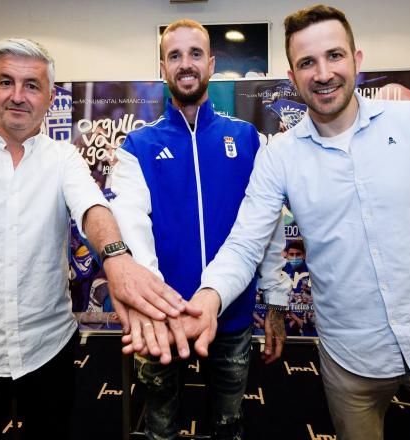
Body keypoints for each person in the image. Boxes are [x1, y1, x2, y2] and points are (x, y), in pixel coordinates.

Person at [193, 5, 410, 440]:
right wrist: (210, 296)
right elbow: (245, 243)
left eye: (334, 56)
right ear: (292, 75)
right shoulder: (279, 155)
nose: (323, 73)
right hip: (350, 358)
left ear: (356, 59)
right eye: (307, 63)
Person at [0, 37, 194, 439]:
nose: (18, 96)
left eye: (32, 85)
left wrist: (116, 258)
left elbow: (93, 210)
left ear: (49, 98)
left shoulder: (63, 159)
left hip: (49, 351)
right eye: (6, 81)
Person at [109, 19, 288, 440]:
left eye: (194, 54)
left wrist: (276, 301)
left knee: (228, 425)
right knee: (160, 427)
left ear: (211, 63)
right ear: (162, 68)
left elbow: (269, 230)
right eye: (174, 56)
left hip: (232, 317)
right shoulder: (137, 147)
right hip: (161, 320)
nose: (185, 64)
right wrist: (155, 304)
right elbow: (132, 229)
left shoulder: (248, 139)